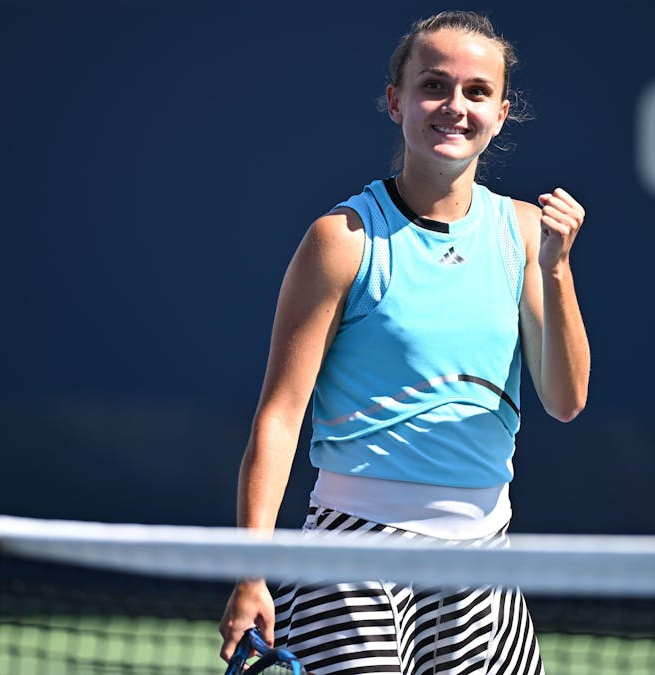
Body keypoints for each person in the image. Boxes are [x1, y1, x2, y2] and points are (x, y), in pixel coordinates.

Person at [218, 10, 590, 675]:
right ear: (396, 101)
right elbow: (279, 416)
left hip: (485, 562)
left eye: (477, 91)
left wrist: (556, 269)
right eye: (434, 86)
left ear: (501, 114)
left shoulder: (528, 234)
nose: (455, 107)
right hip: (353, 558)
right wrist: (252, 572)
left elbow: (565, 400)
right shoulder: (341, 240)